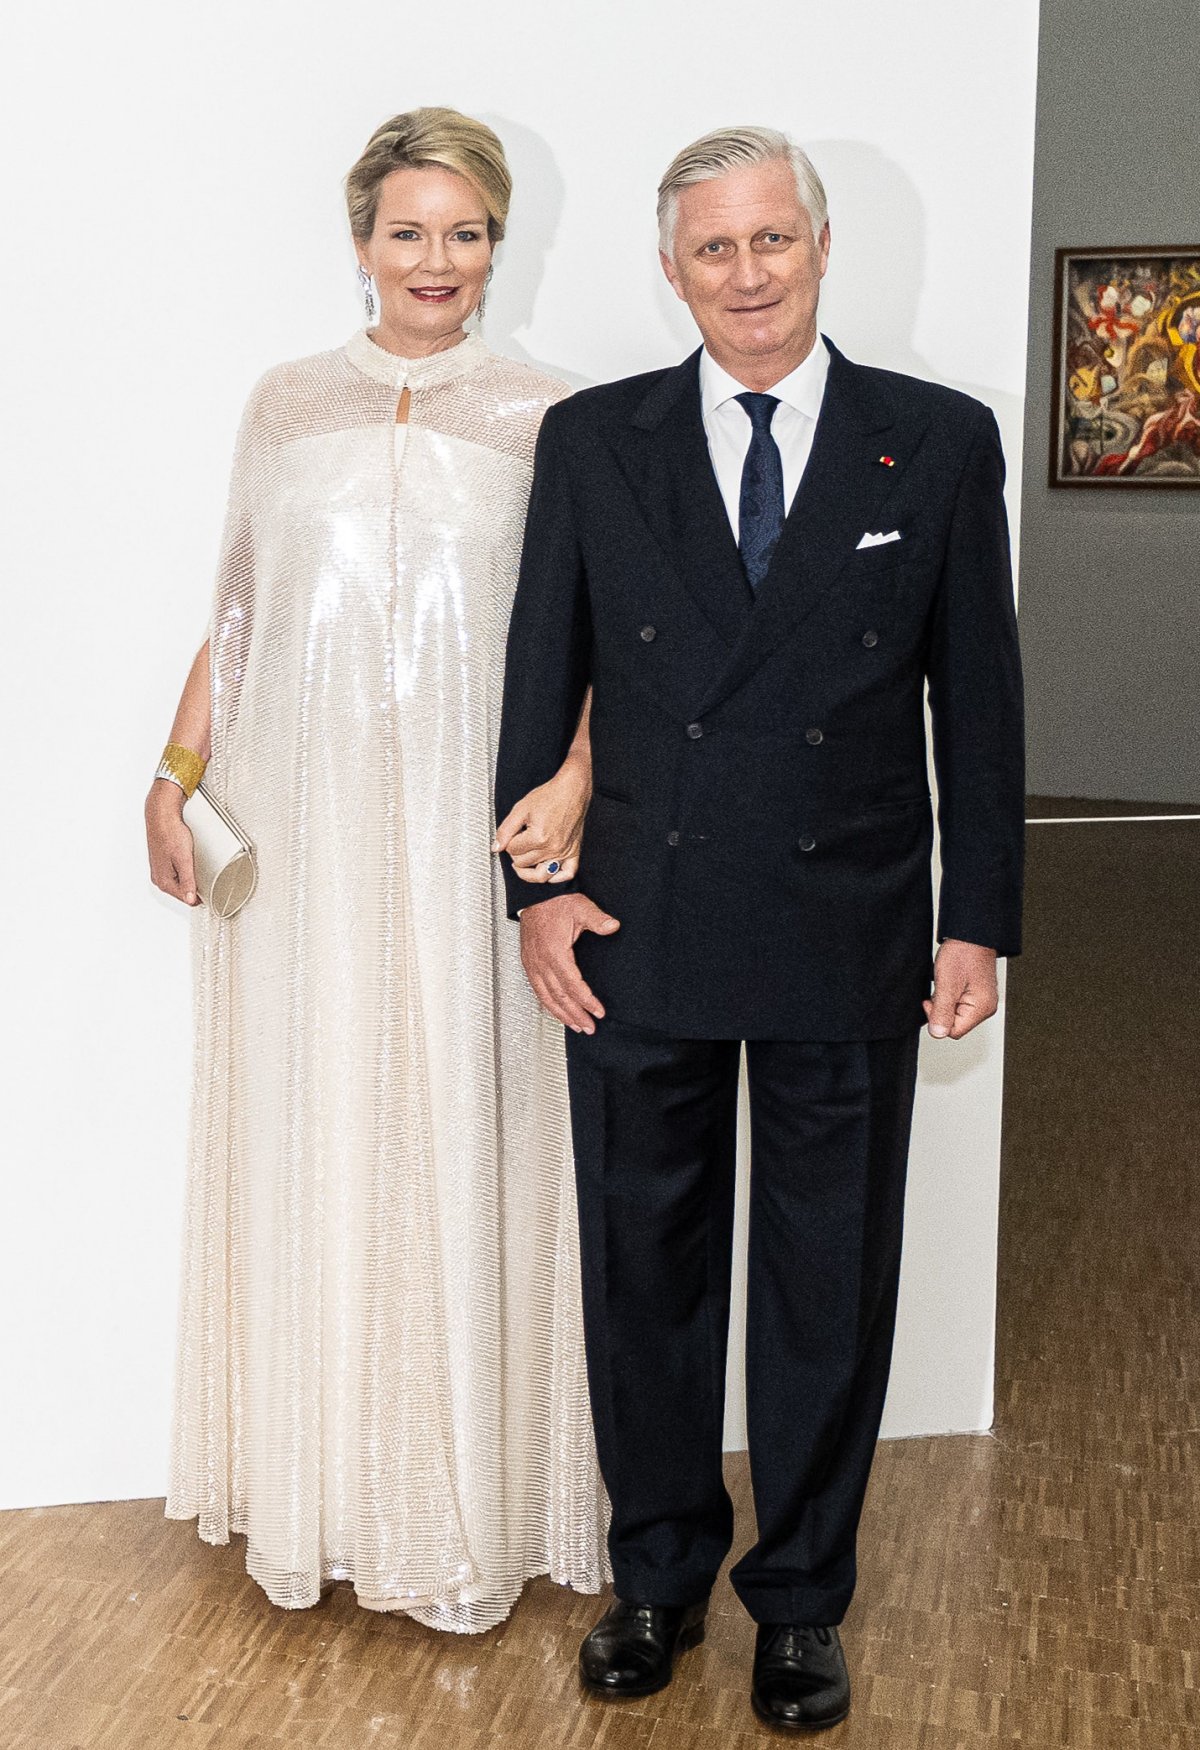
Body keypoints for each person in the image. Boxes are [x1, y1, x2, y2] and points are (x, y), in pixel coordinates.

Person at [495, 126, 1024, 1728]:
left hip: (848, 925)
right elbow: (543, 670)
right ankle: (654, 1572)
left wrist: (976, 918)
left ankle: (800, 1596)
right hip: (639, 921)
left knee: (824, 1277)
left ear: (821, 243)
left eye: (772, 240)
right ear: (672, 269)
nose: (747, 275)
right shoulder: (597, 441)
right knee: (642, 1271)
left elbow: (981, 708)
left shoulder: (931, 441)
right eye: (712, 250)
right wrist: (534, 886)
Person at [145, 107, 608, 1631]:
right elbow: (238, 607)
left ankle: (471, 1494)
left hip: (470, 839)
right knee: (324, 1118)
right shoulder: (284, 405)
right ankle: (327, 1490)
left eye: (465, 231)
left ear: (498, 244)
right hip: (310, 831)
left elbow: (604, 638)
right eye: (408, 230)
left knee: (474, 1123)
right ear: (360, 243)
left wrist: (579, 775)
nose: (436, 260)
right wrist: (176, 773)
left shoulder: (556, 416)